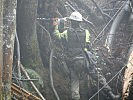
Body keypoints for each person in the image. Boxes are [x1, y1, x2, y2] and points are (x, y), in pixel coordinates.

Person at [54, 11, 120, 100]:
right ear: (80, 22)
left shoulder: (67, 33)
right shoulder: (86, 32)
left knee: (75, 84)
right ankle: (111, 95)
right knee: (99, 77)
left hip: (74, 63)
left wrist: (56, 26)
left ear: (72, 22)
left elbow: (57, 36)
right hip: (86, 61)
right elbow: (88, 45)